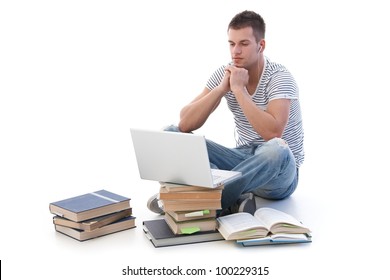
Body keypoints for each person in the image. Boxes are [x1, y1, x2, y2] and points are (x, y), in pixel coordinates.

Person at [147, 10, 304, 216]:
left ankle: (193, 200)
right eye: (232, 43)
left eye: (244, 44)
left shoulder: (279, 77)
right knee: (171, 133)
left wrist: (239, 90)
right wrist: (221, 89)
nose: (235, 51)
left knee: (277, 149)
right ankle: (233, 197)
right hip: (243, 160)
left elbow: (272, 134)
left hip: (278, 173)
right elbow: (185, 123)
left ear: (261, 45)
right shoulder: (226, 74)